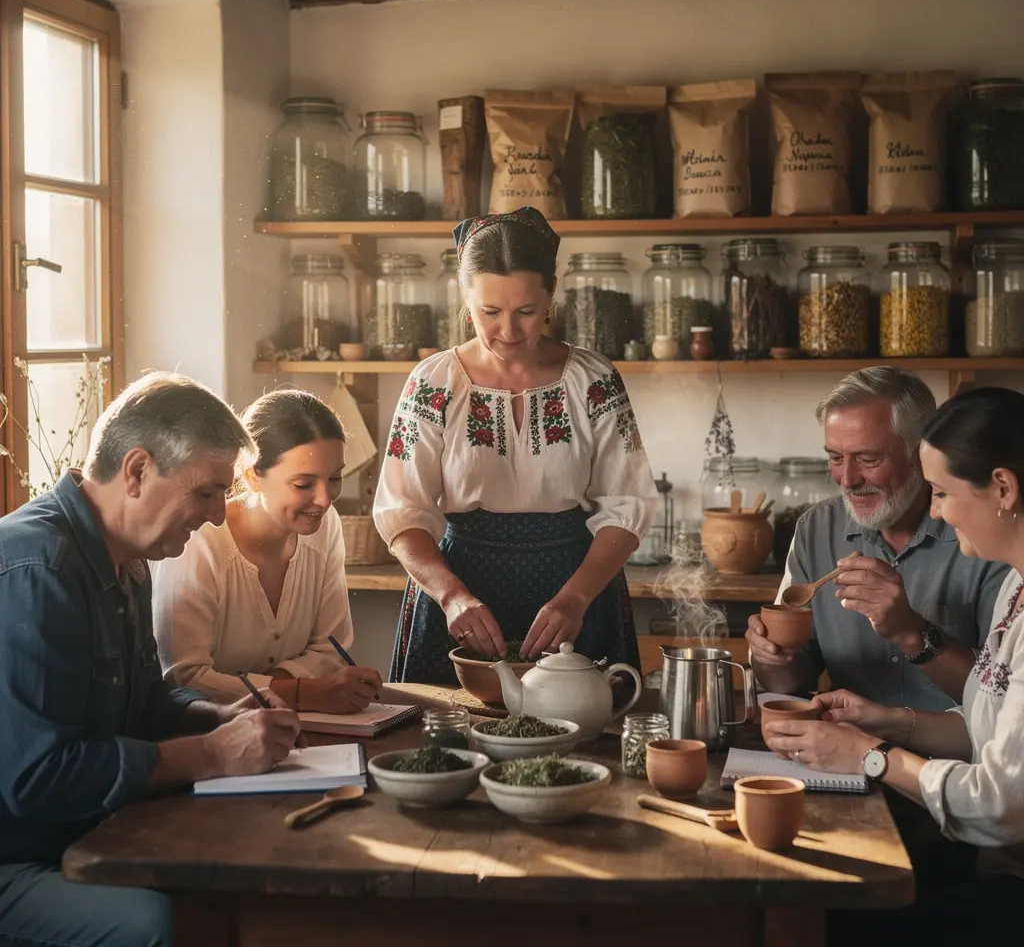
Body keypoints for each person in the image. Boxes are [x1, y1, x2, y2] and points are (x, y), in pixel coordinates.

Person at [0, 373, 304, 947]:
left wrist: (216, 717)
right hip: (17, 857)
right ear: (137, 471)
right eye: (207, 492)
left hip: (85, 836)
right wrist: (212, 754)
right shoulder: (38, 570)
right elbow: (38, 779)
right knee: (161, 921)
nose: (217, 517)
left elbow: (145, 704)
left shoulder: (129, 560)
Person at [764, 386, 1024, 935]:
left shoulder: (999, 566)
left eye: (941, 492)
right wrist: (880, 720)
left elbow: (1000, 806)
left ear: (1002, 487)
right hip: (970, 842)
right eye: (835, 458)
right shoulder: (1015, 592)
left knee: (822, 922)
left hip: (993, 862)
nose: (934, 510)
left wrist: (870, 754)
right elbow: (986, 725)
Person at [373, 206, 658, 684]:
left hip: (575, 589)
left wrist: (576, 597)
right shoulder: (433, 383)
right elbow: (402, 511)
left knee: (586, 741)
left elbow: (627, 505)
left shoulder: (595, 380)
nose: (508, 331)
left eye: (526, 311)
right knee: (446, 744)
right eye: (490, 312)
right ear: (466, 301)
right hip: (461, 591)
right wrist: (451, 596)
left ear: (551, 296)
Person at [747, 366, 1007, 710]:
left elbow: (1003, 703)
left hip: (957, 759)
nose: (847, 479)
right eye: (836, 458)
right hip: (844, 751)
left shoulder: (985, 533)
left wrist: (910, 632)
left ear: (920, 453)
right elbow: (792, 681)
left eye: (868, 458)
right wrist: (771, 656)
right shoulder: (816, 529)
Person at [153, 388, 382, 712]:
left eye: (335, 478)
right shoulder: (199, 541)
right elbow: (185, 678)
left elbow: (332, 648)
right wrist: (303, 692)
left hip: (298, 727)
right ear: (253, 476)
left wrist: (282, 690)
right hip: (211, 738)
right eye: (303, 484)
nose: (325, 499)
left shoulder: (325, 525)